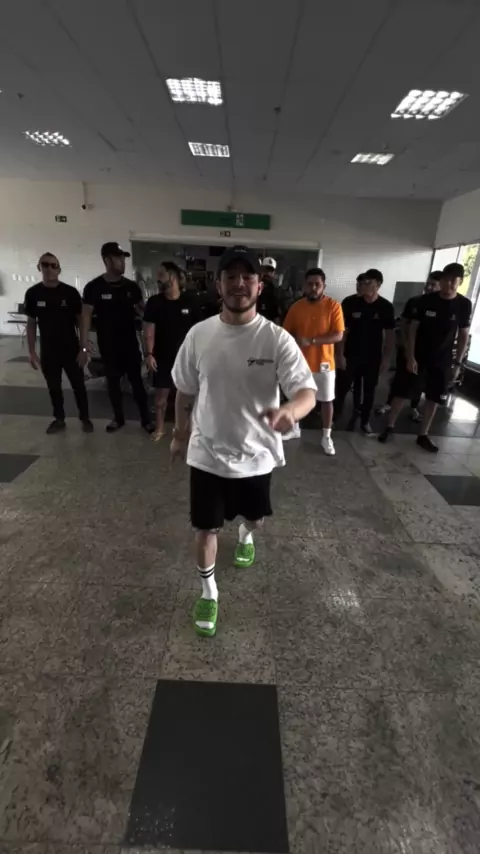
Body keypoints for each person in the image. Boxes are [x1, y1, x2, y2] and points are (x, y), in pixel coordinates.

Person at [170, 245, 316, 637]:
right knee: (205, 529)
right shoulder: (199, 335)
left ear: (259, 285)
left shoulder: (276, 339)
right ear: (218, 285)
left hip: (256, 455)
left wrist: (291, 411)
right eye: (230, 277)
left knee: (257, 519)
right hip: (207, 452)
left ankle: (246, 533)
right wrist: (180, 434)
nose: (239, 284)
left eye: (247, 277)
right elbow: (184, 391)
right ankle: (209, 592)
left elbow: (306, 392)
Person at [378, 263, 472, 452]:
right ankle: (389, 426)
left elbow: (463, 335)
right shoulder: (425, 301)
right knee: (402, 392)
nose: (448, 284)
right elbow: (412, 330)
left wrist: (457, 363)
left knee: (434, 397)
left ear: (460, 282)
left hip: (443, 359)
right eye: (445, 280)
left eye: (453, 281)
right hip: (418, 355)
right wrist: (410, 356)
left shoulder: (463, 304)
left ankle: (423, 434)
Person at [79, 242, 154, 433]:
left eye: (123, 258)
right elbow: (85, 316)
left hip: (129, 345)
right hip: (108, 346)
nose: (122, 262)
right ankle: (118, 418)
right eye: (118, 258)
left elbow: (144, 313)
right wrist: (84, 345)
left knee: (137, 383)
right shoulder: (94, 287)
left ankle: (146, 420)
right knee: (112, 384)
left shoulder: (131, 287)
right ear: (107, 260)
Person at [24, 252, 93, 434]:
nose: (49, 268)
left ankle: (85, 418)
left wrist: (83, 348)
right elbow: (31, 323)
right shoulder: (33, 294)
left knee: (79, 385)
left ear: (59, 269)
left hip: (71, 348)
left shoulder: (70, 293)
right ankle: (59, 419)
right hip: (48, 350)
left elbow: (81, 321)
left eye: (53, 265)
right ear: (39, 267)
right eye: (45, 264)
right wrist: (32, 351)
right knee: (54, 387)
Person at [283, 268, 344, 455]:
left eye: (318, 284)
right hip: (299, 363)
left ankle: (326, 436)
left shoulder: (333, 306)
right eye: (310, 284)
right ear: (304, 286)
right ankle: (294, 428)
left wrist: (311, 341)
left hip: (324, 364)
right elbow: (286, 332)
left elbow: (338, 335)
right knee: (296, 397)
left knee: (326, 400)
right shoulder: (296, 307)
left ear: (324, 286)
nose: (314, 288)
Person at [143, 261, 201, 440]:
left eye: (161, 275)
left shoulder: (190, 301)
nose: (158, 279)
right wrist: (149, 354)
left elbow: (199, 331)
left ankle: (187, 430)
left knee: (188, 398)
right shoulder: (154, 302)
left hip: (186, 358)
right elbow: (149, 330)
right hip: (162, 357)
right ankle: (160, 428)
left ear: (173, 277)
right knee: (160, 399)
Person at [376, 270, 443, 420]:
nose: (429, 287)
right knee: (401, 380)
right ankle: (388, 404)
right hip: (407, 349)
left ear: (441, 286)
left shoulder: (443, 306)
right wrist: (406, 347)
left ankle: (413, 407)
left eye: (433, 285)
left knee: (421, 381)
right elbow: (404, 324)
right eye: (428, 284)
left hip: (429, 353)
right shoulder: (414, 301)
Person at [336, 269, 395, 434]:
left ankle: (365, 420)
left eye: (368, 282)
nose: (362, 285)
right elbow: (342, 332)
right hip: (350, 354)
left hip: (373, 356)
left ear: (378, 285)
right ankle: (334, 418)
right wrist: (339, 355)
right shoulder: (350, 302)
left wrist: (386, 359)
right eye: (361, 282)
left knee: (369, 390)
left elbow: (390, 335)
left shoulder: (385, 307)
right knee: (342, 387)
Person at [257, 257, 281, 322]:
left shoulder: (276, 291)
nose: (267, 273)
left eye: (270, 271)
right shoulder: (254, 286)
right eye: (266, 270)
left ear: (274, 273)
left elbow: (276, 314)